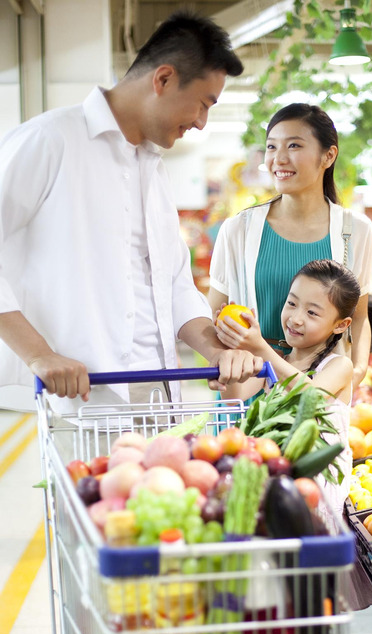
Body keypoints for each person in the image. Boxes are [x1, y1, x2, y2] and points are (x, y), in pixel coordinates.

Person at [0, 9, 263, 414]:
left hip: (159, 395)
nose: (201, 122)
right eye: (202, 104)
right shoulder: (50, 141)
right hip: (84, 400)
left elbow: (175, 284)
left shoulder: (152, 169)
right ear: (163, 79)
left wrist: (215, 351)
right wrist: (39, 354)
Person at [218, 258, 372, 610]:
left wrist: (261, 348)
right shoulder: (274, 361)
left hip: (314, 497)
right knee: (276, 595)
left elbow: (310, 398)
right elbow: (235, 400)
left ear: (341, 325)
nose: (295, 318)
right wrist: (233, 360)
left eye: (312, 312)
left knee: (311, 595)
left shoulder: (339, 366)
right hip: (275, 487)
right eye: (292, 303)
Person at [208, 102, 372, 389]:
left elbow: (358, 316)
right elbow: (214, 314)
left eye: (294, 146)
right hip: (248, 384)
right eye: (271, 147)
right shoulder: (238, 230)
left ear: (328, 155)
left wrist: (357, 371)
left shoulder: (355, 230)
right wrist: (219, 364)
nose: (279, 158)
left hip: (318, 387)